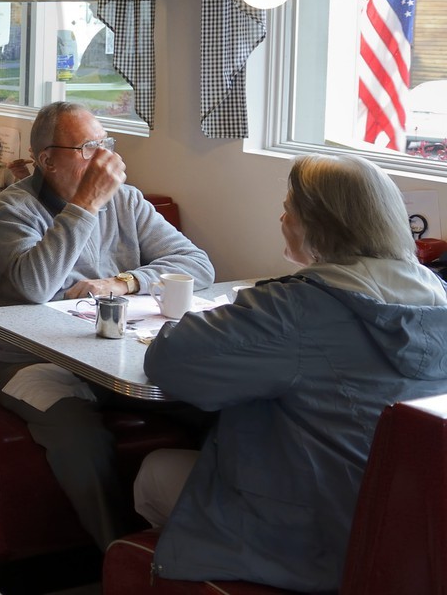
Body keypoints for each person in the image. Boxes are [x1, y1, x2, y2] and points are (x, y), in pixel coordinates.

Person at [132, 153, 447, 591]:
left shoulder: (295, 310)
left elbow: (170, 359)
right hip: (411, 531)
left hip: (316, 536)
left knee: (154, 470)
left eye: (290, 208)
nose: (282, 216)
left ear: (317, 224)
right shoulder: (437, 298)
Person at [0, 101, 214, 550]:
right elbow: (34, 287)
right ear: (48, 159)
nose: (105, 158)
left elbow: (197, 264)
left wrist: (124, 281)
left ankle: (206, 541)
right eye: (89, 147)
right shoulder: (15, 208)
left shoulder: (126, 200)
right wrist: (85, 203)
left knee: (214, 403)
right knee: (79, 439)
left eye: (106, 143)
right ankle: (118, 556)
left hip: (113, 358)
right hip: (27, 361)